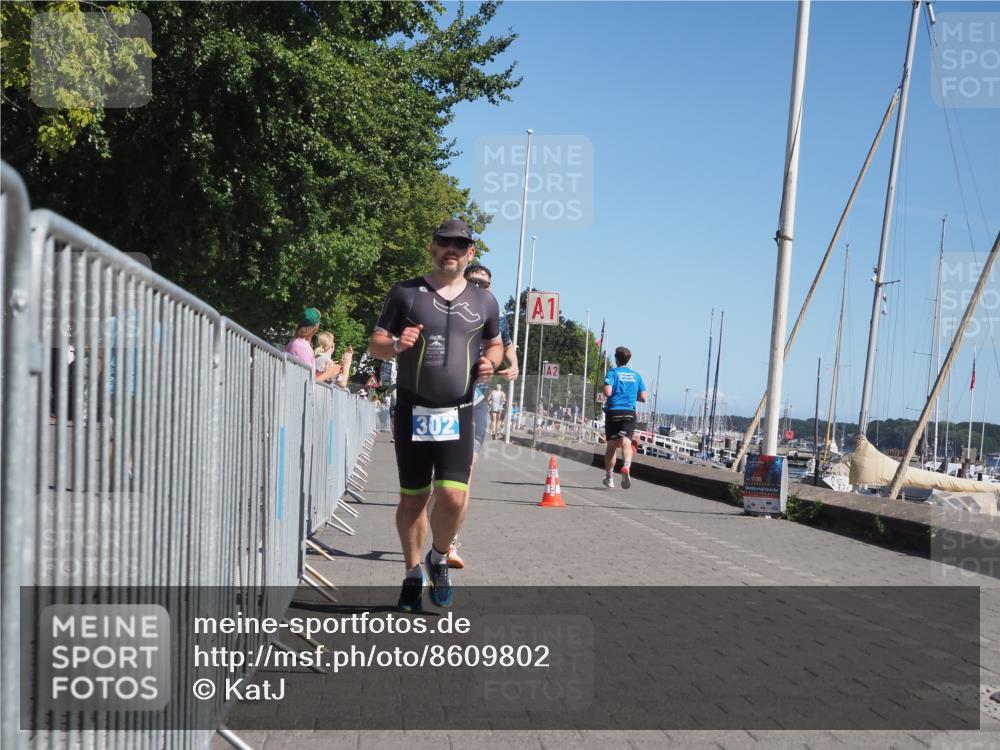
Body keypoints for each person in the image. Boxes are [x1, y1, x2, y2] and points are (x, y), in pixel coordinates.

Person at [368, 219, 502, 612]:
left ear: (470, 253)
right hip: (412, 409)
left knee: (453, 498)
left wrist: (491, 363)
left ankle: (439, 558)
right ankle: (412, 574)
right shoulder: (406, 293)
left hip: (458, 411)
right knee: (413, 500)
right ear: (432, 246)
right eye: (445, 242)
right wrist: (395, 343)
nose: (452, 250)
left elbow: (495, 344)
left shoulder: (485, 301)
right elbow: (375, 343)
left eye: (460, 245)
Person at [444, 262, 518, 570]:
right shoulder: (444, 306)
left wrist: (512, 364)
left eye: (485, 284)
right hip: (443, 402)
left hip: (475, 404)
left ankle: (450, 542)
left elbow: (508, 348)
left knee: (464, 476)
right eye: (474, 281)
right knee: (439, 480)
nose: (480, 287)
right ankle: (436, 527)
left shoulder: (494, 316)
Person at [602, 346, 647, 489]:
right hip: (629, 412)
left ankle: (609, 478)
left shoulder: (613, 373)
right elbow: (643, 397)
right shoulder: (636, 376)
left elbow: (607, 392)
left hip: (614, 411)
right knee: (626, 442)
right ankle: (626, 466)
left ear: (616, 358)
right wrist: (631, 396)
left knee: (612, 447)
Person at [286, 308, 338, 382]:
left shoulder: (295, 342)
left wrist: (323, 372)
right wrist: (328, 374)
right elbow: (307, 383)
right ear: (315, 329)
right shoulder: (303, 348)